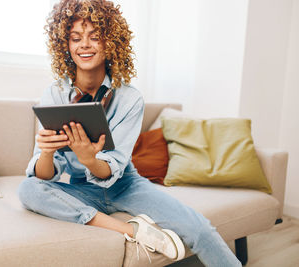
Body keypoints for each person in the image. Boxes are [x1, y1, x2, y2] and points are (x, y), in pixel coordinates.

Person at [18, 0, 242, 266]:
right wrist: (46, 152)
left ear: (111, 41)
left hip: (126, 186)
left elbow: (113, 166)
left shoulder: (130, 98)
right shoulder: (53, 94)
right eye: (76, 38)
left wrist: (90, 159)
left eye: (95, 37)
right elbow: (45, 173)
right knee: (28, 189)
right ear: (65, 45)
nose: (84, 45)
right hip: (82, 190)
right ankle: (132, 231)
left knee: (200, 229)